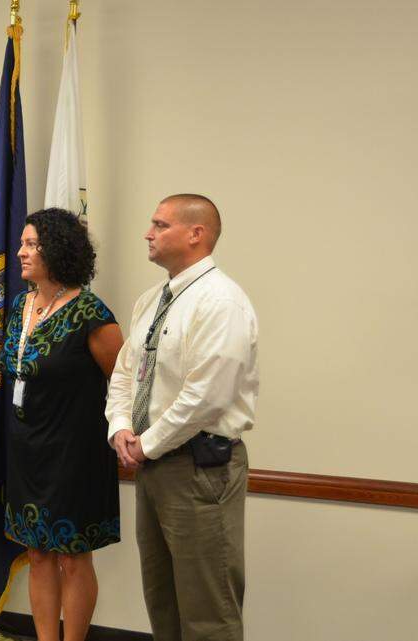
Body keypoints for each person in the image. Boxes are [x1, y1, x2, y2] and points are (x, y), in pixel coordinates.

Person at [105, 194, 259, 641]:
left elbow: (206, 396)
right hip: (153, 465)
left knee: (207, 609)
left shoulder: (221, 301)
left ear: (197, 234)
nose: (148, 233)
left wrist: (146, 444)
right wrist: (120, 429)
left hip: (199, 468)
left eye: (160, 224)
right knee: (163, 600)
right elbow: (125, 373)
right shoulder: (152, 299)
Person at [0, 209, 123, 641]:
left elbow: (124, 383)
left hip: (75, 453)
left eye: (31, 244)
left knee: (72, 557)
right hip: (27, 451)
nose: (20, 252)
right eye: (23, 243)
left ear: (59, 250)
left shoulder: (90, 312)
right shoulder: (20, 305)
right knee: (36, 554)